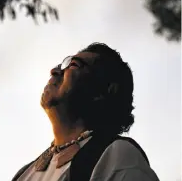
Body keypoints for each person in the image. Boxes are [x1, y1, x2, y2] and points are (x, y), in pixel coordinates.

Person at [11, 42, 159, 181]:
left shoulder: (118, 156)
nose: (54, 71)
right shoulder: (24, 174)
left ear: (101, 91)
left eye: (74, 65)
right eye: (62, 65)